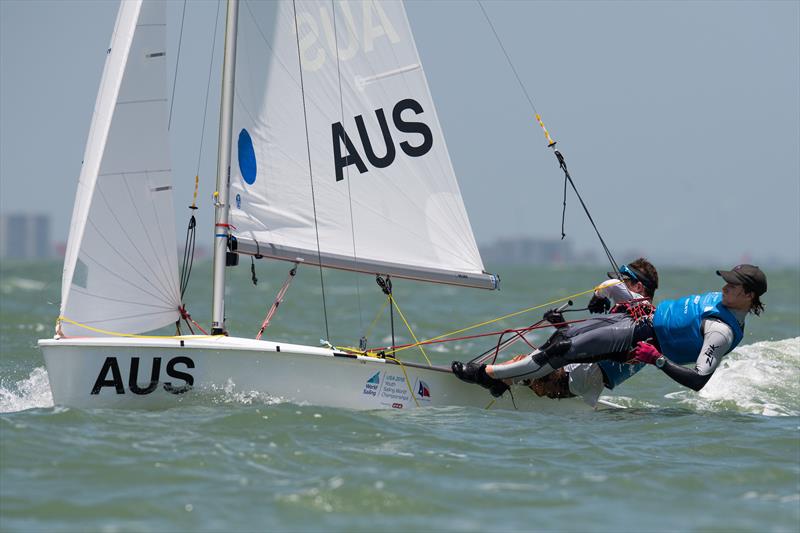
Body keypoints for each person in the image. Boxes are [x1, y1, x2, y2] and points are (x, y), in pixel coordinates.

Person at [453, 264, 766, 394]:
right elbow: (614, 288)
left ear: (749, 295)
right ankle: (499, 379)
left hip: (637, 342)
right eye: (726, 281)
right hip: (637, 322)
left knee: (561, 350)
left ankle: (487, 375)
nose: (725, 286)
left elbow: (699, 380)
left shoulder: (720, 331)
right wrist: (605, 298)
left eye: (733, 285)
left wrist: (656, 359)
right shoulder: (720, 301)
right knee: (562, 340)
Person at [503, 258, 659, 406]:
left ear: (638, 287)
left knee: (519, 363)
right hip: (580, 381)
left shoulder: (644, 314)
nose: (621, 284)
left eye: (624, 282)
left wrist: (598, 296)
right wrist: (562, 326)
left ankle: (487, 377)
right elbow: (593, 346)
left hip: (573, 376)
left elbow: (610, 285)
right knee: (528, 364)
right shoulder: (646, 324)